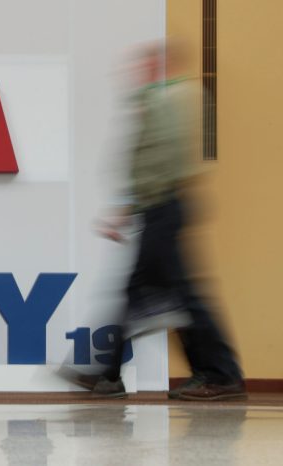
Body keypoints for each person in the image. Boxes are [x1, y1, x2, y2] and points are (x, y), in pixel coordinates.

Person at [72, 41, 246, 401]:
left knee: (173, 295)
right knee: (153, 291)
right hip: (160, 205)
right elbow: (150, 158)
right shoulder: (163, 99)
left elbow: (159, 156)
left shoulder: (173, 98)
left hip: (165, 205)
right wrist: (128, 208)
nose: (134, 74)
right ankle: (106, 373)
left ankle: (219, 374)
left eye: (143, 66)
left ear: (160, 65)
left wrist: (132, 205)